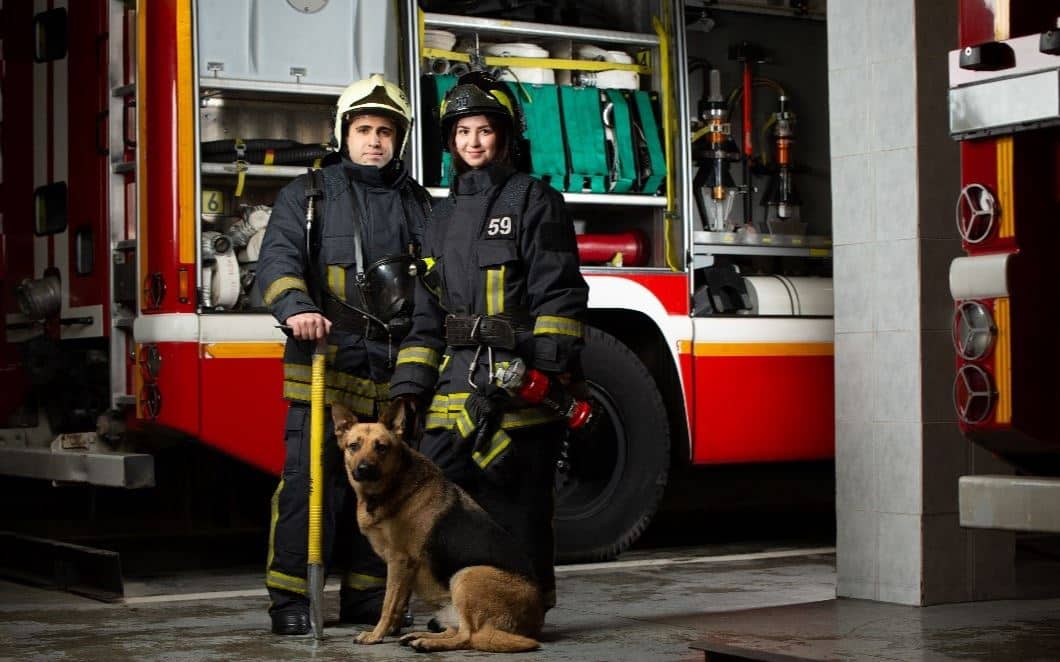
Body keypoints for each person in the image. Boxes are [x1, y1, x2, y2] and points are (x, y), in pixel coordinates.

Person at [388, 71, 588, 610]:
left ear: (505, 136)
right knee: (433, 494)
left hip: (520, 382)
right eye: (462, 132)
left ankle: (526, 611)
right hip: (457, 382)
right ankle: (458, 606)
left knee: (518, 502)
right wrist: (409, 384)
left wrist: (546, 365)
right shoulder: (440, 216)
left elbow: (560, 292)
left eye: (484, 130)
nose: (473, 142)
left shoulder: (535, 200)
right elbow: (427, 312)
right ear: (450, 141)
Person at [256, 74, 431, 636]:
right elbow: (277, 262)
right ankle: (291, 602)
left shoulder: (419, 202)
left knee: (386, 489)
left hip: (392, 372)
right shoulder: (307, 194)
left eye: (385, 131)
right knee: (309, 489)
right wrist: (297, 309)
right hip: (324, 368)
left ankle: (367, 599)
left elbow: (435, 282)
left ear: (398, 139)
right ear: (343, 133)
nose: (374, 140)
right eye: (363, 129)